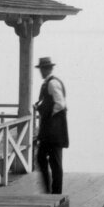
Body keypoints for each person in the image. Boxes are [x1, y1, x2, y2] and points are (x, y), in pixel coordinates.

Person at [34, 57, 69, 194]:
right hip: (50, 131)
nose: (41, 72)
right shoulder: (48, 83)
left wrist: (48, 114)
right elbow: (50, 102)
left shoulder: (52, 83)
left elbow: (60, 104)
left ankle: (55, 193)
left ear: (47, 69)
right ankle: (49, 191)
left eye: (43, 69)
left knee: (55, 162)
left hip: (54, 130)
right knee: (42, 158)